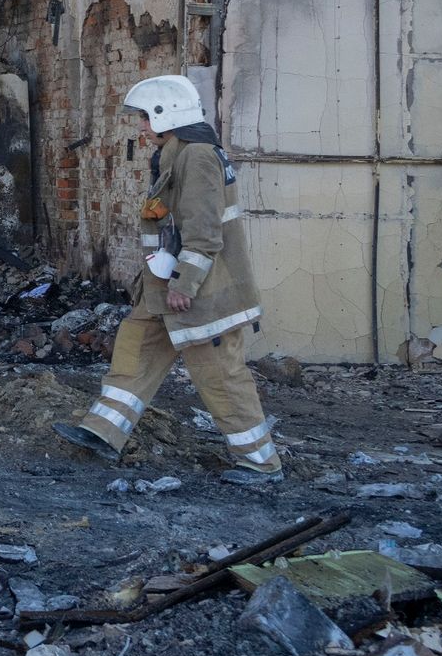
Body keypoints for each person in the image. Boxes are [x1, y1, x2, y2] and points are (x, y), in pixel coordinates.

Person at [54, 74, 283, 485]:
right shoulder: (176, 154)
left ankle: (261, 463)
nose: (141, 127)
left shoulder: (197, 157)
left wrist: (183, 283)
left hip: (199, 294)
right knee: (135, 348)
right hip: (164, 289)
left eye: (145, 117)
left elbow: (204, 231)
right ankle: (104, 431)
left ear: (168, 114)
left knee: (220, 375)